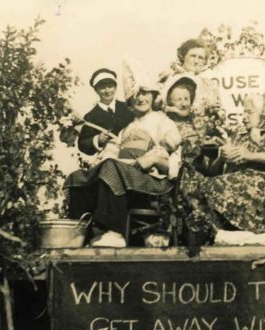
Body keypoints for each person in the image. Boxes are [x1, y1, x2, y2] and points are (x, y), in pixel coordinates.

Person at [64, 86, 181, 247]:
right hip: (127, 176)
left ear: (153, 97)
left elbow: (173, 146)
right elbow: (110, 153)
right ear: (130, 101)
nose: (140, 98)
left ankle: (113, 231)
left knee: (111, 167)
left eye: (145, 94)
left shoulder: (163, 121)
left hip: (152, 182)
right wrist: (98, 166)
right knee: (77, 176)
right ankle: (80, 232)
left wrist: (155, 157)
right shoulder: (126, 129)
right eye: (136, 95)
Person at [184, 95, 265, 232]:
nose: (244, 117)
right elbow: (214, 171)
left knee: (210, 186)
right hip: (233, 179)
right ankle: (214, 229)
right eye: (244, 112)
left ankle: (214, 228)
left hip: (260, 183)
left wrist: (249, 155)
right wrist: (222, 157)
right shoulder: (239, 134)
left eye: (250, 112)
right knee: (193, 183)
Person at [77, 68, 134, 156]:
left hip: (133, 152)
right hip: (109, 157)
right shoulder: (90, 116)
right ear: (96, 90)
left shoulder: (127, 108)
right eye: (102, 88)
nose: (107, 91)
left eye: (110, 86)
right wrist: (97, 139)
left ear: (115, 87)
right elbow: (82, 144)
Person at [159, 38, 221, 118]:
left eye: (200, 58)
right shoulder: (170, 78)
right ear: (183, 56)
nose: (196, 61)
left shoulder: (209, 84)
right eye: (193, 56)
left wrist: (216, 110)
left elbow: (218, 111)